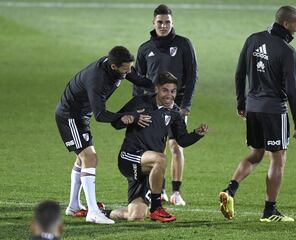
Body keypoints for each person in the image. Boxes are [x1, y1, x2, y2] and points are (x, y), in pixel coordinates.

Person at [219, 5, 296, 222]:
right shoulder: (287, 51)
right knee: (278, 158)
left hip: (253, 107)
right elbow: (292, 89)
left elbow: (239, 74)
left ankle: (230, 190)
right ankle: (270, 210)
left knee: (256, 153)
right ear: (286, 24)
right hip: (274, 110)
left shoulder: (253, 39)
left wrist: (241, 103)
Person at [55, 46, 152, 224]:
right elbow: (100, 115)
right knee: (89, 158)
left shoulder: (119, 67)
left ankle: (74, 206)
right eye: (126, 69)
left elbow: (138, 79)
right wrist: (128, 116)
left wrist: (160, 86)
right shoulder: (97, 79)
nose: (129, 71)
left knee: (82, 159)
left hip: (82, 115)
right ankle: (92, 212)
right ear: (114, 67)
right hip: (70, 116)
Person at [108, 72, 208, 222]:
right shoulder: (139, 102)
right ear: (156, 89)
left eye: (173, 91)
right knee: (160, 159)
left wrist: (197, 134)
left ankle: (103, 211)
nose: (170, 95)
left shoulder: (174, 112)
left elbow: (182, 140)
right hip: (129, 157)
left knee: (136, 215)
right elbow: (116, 122)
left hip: (147, 167)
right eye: (165, 90)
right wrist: (131, 118)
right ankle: (156, 207)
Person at [133, 4, 198, 205]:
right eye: (160, 22)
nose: (163, 26)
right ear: (153, 23)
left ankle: (176, 192)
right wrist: (137, 108)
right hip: (153, 106)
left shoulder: (184, 44)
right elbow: (138, 80)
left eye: (167, 22)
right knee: (157, 148)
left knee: (176, 146)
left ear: (172, 23)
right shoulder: (145, 49)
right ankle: (158, 191)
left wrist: (186, 104)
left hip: (177, 104)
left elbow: (192, 74)